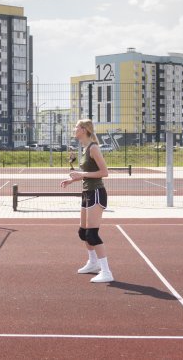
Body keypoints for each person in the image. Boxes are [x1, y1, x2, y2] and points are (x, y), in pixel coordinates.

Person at [60, 119, 113, 283]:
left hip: (97, 192)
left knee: (92, 234)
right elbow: (86, 173)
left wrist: (81, 175)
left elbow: (105, 172)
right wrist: (73, 180)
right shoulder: (84, 149)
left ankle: (106, 272)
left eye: (76, 127)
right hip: (87, 192)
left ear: (83, 129)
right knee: (83, 233)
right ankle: (93, 263)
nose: (74, 129)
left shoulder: (93, 148)